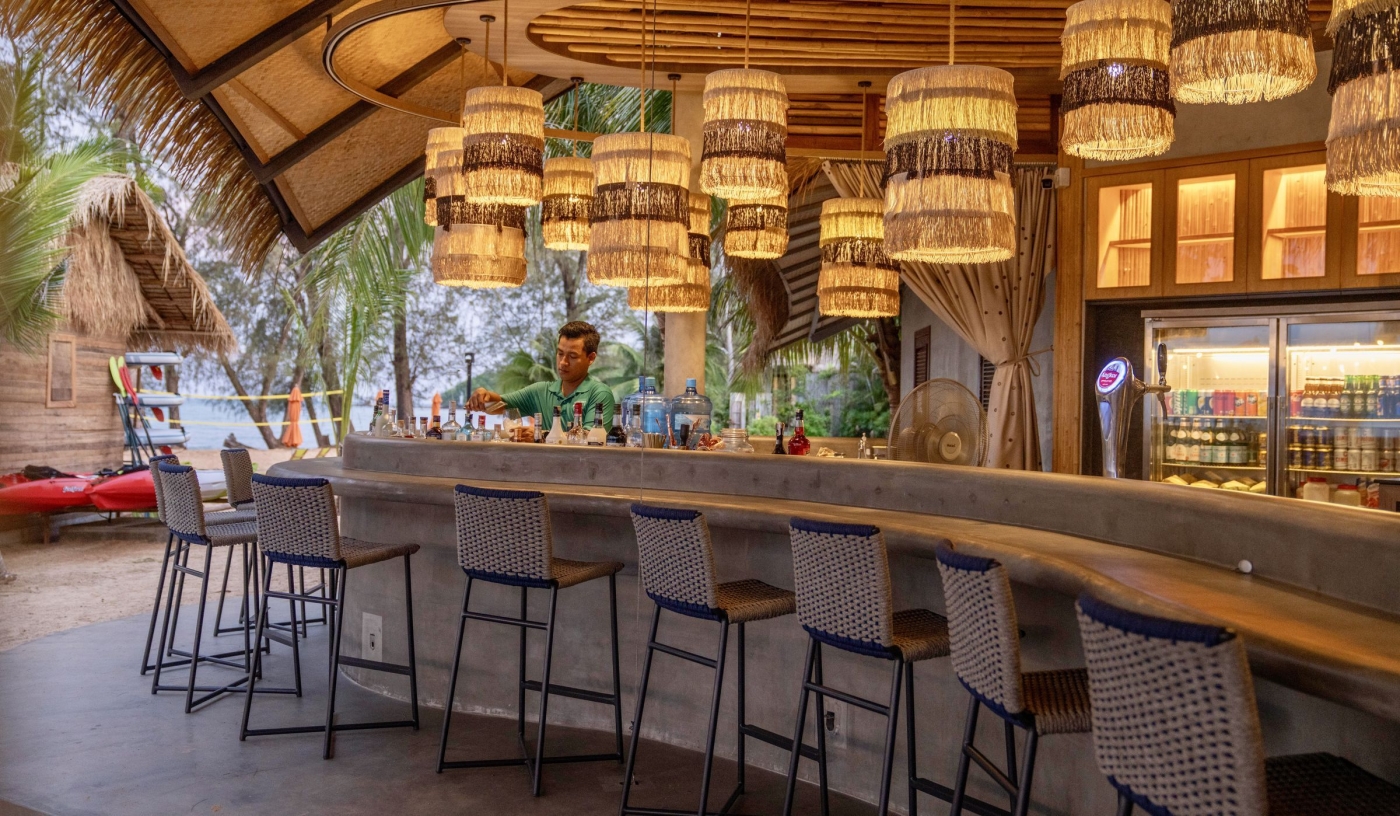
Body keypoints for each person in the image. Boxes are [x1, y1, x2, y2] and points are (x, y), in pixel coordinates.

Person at [468, 321, 617, 424]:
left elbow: (591, 442)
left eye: (572, 356)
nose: (563, 362)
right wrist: (484, 397)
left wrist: (540, 434)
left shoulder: (599, 394)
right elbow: (501, 406)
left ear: (591, 358)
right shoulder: (541, 392)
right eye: (560, 353)